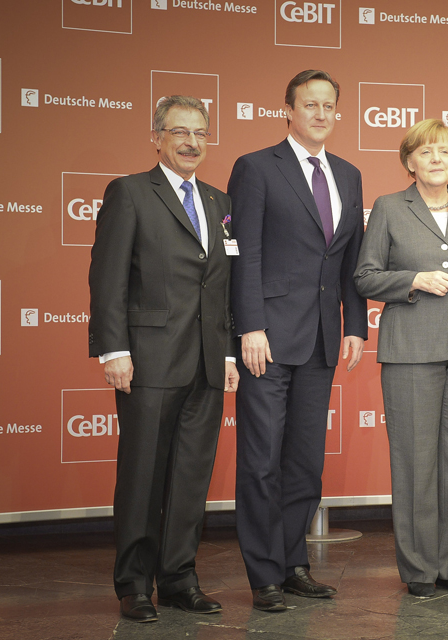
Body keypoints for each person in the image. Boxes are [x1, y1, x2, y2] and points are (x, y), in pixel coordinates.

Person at [88, 95, 239, 623]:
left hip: (205, 363)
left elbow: (222, 286)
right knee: (143, 474)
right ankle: (134, 584)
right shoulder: (129, 192)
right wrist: (114, 348)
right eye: (180, 132)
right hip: (148, 360)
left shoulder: (220, 202)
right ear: (157, 137)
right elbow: (107, 278)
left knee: (191, 475)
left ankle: (178, 578)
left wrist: (226, 352)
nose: (191, 142)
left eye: (200, 133)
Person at [228, 70, 367, 611]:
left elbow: (349, 260)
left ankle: (293, 565)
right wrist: (250, 326)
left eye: (329, 105)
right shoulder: (258, 167)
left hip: (322, 340)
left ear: (338, 112)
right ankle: (263, 574)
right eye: (309, 104)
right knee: (261, 460)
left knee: (305, 461)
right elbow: (245, 253)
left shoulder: (349, 175)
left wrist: (353, 325)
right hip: (268, 337)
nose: (320, 113)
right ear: (287, 109)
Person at [354, 119, 448, 598]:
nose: (436, 159)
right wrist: (412, 280)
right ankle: (419, 569)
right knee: (416, 462)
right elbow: (365, 276)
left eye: (444, 151)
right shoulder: (388, 208)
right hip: (410, 351)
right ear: (409, 162)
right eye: (426, 152)